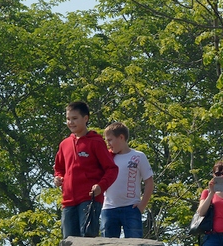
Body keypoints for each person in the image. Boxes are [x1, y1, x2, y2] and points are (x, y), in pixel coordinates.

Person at [54, 101, 118, 238]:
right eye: (68, 119)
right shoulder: (64, 144)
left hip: (89, 200)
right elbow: (59, 167)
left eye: (75, 118)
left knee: (87, 241)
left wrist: (101, 186)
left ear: (86, 118)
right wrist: (58, 177)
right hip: (68, 201)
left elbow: (112, 169)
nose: (71, 122)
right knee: (69, 243)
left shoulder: (95, 142)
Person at [101, 122, 154, 238]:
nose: (108, 144)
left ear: (121, 137)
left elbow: (149, 182)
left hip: (131, 208)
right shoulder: (107, 157)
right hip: (109, 208)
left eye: (110, 140)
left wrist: (142, 205)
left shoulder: (138, 156)